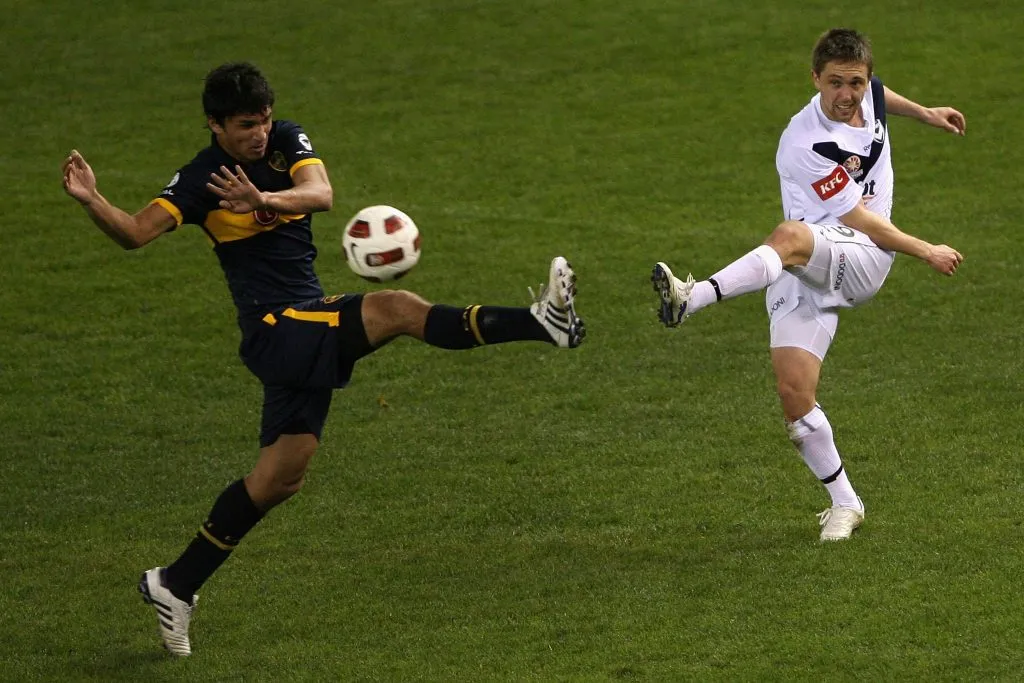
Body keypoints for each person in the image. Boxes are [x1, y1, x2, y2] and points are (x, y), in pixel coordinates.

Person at [62, 62, 586, 656]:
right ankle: (541, 322)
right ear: (214, 125)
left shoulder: (287, 140)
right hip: (274, 327)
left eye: (261, 121)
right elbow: (134, 232)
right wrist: (92, 199)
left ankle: (176, 582)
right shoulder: (201, 178)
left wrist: (263, 196)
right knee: (394, 308)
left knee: (280, 478)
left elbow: (322, 195)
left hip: (303, 318)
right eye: (243, 126)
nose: (258, 135)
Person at [651, 28, 965, 542]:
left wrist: (927, 113)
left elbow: (883, 101)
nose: (847, 95)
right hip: (814, 258)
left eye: (856, 83)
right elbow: (863, 216)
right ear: (815, 78)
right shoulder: (806, 141)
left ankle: (694, 298)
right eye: (835, 83)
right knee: (795, 396)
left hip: (861, 259)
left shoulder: (869, 94)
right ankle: (846, 504)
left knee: (790, 236)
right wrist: (928, 249)